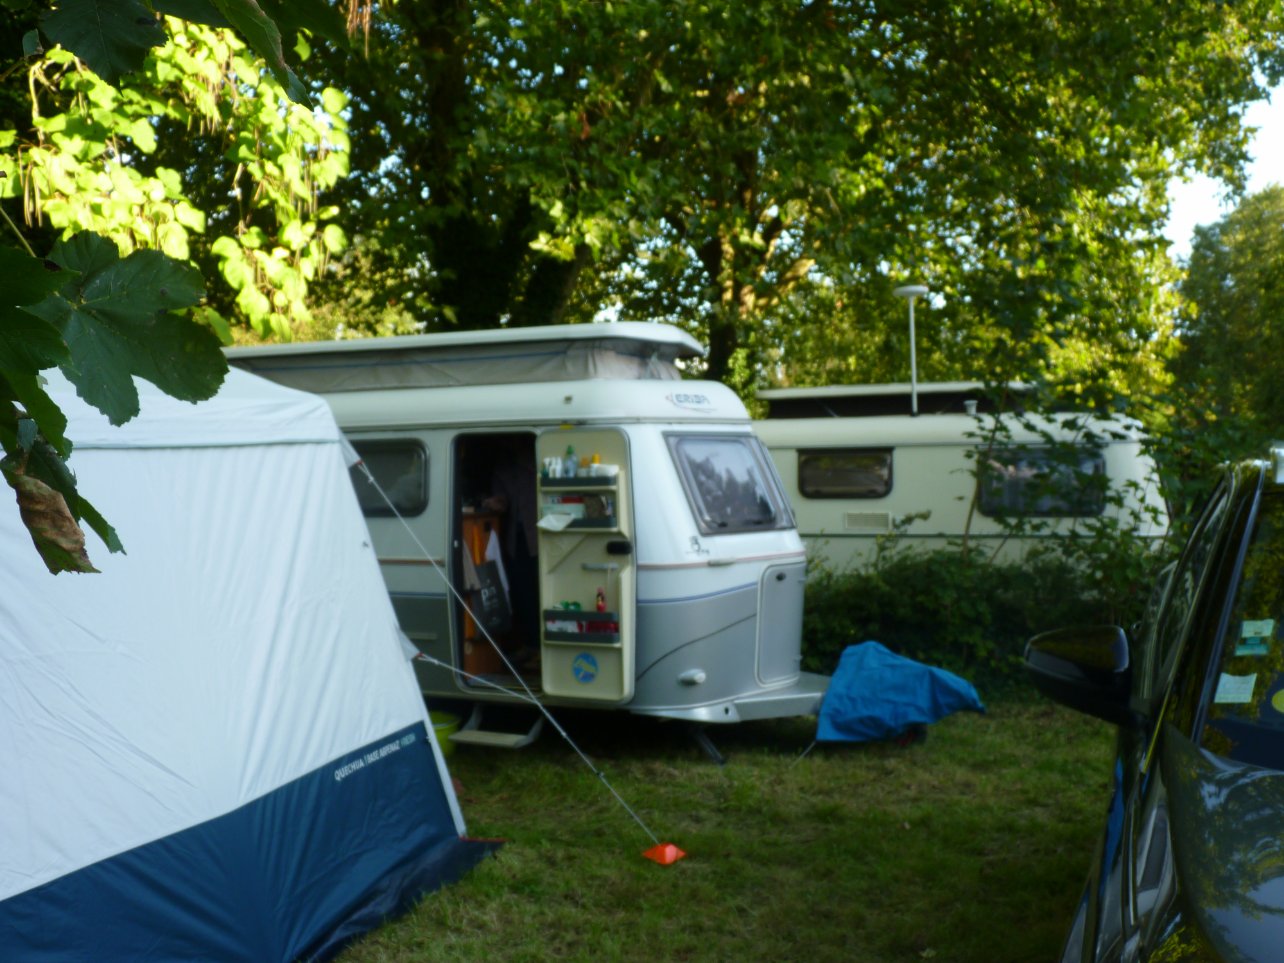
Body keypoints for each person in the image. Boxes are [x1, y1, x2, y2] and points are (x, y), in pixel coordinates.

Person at [482, 439, 540, 658]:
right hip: (517, 539)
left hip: (542, 536)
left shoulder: (537, 458)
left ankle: (540, 645)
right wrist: (494, 503)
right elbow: (503, 501)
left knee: (540, 590)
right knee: (522, 592)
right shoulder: (503, 468)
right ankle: (531, 644)